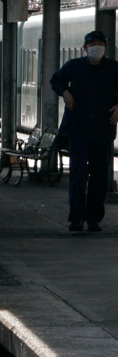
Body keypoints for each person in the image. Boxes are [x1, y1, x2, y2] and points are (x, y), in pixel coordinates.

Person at [50, 30, 118, 231]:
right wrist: (65, 92)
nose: (96, 47)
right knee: (78, 174)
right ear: (85, 47)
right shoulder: (74, 66)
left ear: (106, 47)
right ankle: (77, 217)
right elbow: (56, 80)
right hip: (78, 128)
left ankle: (94, 218)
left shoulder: (114, 68)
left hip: (103, 130)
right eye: (92, 44)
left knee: (100, 175)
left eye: (100, 43)